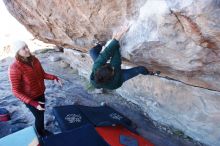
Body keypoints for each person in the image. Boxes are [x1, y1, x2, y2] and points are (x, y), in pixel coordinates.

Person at [8, 41, 61, 137]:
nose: (27, 49)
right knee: (39, 116)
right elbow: (15, 91)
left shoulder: (34, 60)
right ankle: (40, 133)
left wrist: (54, 77)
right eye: (23, 48)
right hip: (30, 99)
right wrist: (33, 103)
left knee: (41, 114)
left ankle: (41, 130)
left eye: (27, 46)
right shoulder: (14, 67)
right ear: (17, 52)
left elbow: (42, 74)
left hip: (40, 93)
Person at [89, 26, 160, 90]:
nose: (111, 66)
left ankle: (101, 44)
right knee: (140, 69)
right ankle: (149, 73)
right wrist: (115, 40)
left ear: (100, 68)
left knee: (92, 52)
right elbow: (116, 54)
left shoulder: (96, 66)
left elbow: (106, 53)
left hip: (103, 76)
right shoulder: (115, 79)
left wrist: (115, 39)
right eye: (112, 69)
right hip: (119, 79)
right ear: (112, 74)